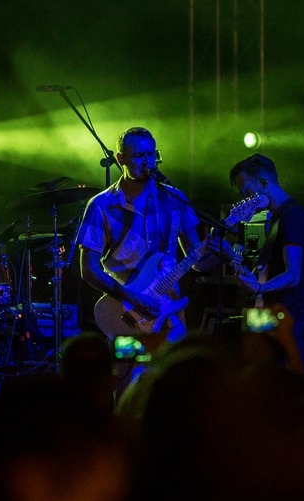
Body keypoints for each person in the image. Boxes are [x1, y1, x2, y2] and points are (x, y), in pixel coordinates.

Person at [77, 126, 220, 344]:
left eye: (151, 154)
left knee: (174, 365)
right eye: (138, 156)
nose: (147, 162)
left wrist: (223, 254)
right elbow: (88, 269)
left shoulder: (174, 199)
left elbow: (198, 262)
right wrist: (131, 297)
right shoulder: (100, 205)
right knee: (128, 366)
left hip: (170, 310)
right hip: (125, 311)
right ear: (120, 159)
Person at [229, 153, 304, 362]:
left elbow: (293, 274)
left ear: (264, 183)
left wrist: (260, 288)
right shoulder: (276, 218)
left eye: (246, 192)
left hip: (290, 316)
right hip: (274, 314)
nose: (244, 199)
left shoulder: (292, 216)